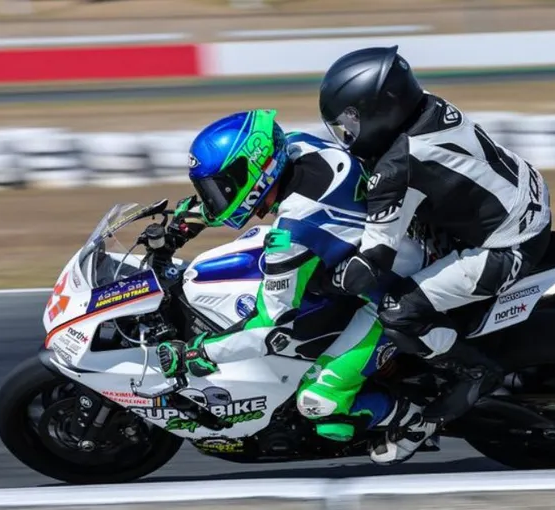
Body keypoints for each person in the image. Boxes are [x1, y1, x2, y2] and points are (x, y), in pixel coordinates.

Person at [317, 45, 553, 464]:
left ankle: (474, 374)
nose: (346, 132)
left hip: (506, 245)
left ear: (381, 108)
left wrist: (327, 280)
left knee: (397, 311)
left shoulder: (397, 168)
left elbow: (373, 260)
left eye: (351, 121)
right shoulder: (427, 107)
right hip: (521, 197)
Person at [155, 109, 432, 450]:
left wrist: (198, 353)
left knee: (320, 404)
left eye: (220, 187)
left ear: (254, 171)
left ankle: (416, 420)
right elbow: (256, 196)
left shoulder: (293, 234)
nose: (216, 197)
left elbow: (266, 329)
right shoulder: (298, 147)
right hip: (397, 250)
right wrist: (199, 216)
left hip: (396, 294)